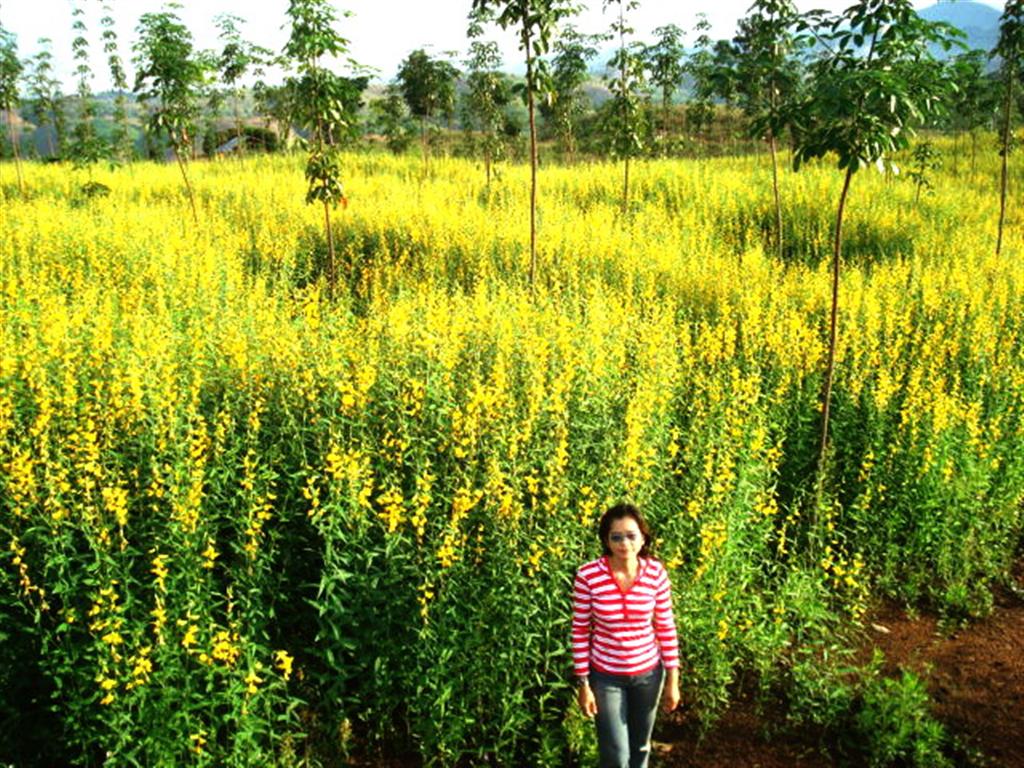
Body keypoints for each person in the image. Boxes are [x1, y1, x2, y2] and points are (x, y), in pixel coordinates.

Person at [572, 503, 680, 768]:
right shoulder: (588, 576)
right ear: (606, 540)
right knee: (616, 756)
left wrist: (673, 680)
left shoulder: (656, 573)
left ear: (643, 538)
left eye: (631, 536)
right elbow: (580, 631)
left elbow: (666, 627)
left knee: (640, 747)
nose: (624, 544)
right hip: (605, 676)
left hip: (648, 675)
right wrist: (583, 684)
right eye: (616, 537)